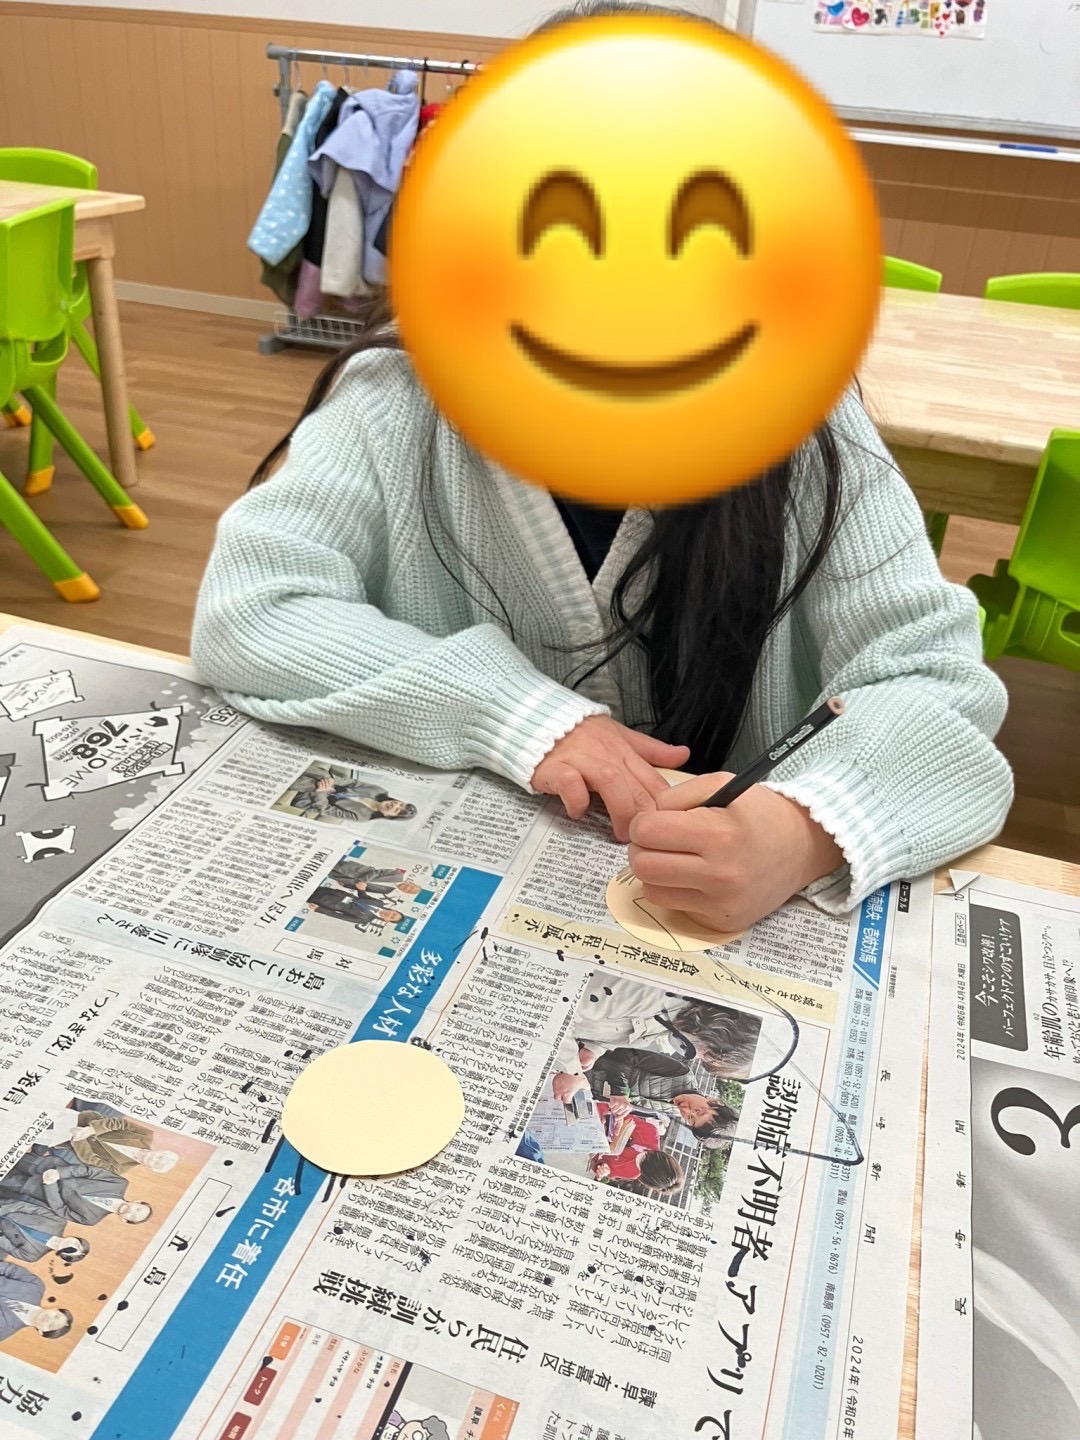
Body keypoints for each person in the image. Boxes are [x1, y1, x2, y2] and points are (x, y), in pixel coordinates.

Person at [192, 0, 1012, 937]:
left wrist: (804, 828)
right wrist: (520, 716)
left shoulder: (807, 424)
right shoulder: (401, 391)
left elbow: (935, 683)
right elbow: (252, 607)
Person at [0, 1155, 152, 1229]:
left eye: (133, 1216)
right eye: (138, 1209)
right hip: (48, 1167)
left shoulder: (91, 1219)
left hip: (35, 1188)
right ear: (137, 1201)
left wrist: (50, 1185)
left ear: (124, 1220)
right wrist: (58, 1174)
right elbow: (89, 1171)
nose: (131, 1211)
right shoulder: (119, 1184)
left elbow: (61, 1210)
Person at [32, 1112, 179, 1178]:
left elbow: (90, 1160)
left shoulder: (119, 1169)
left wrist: (78, 1138)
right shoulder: (145, 1135)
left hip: (70, 1141)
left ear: (149, 1168)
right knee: (42, 1113)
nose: (152, 1159)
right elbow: (119, 1123)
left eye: (154, 1163)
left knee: (34, 1132)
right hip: (85, 1121)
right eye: (158, 1157)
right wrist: (91, 1130)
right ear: (160, 1151)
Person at [590, 1100, 683, 1195]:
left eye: (641, 1166)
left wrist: (603, 1169)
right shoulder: (650, 1133)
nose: (639, 1159)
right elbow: (620, 1112)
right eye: (646, 1157)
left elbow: (597, 1164)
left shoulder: (632, 1173)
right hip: (596, 1110)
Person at [287, 765, 417, 826]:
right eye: (400, 803)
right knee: (325, 776)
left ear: (389, 816)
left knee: (316, 783)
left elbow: (325, 809)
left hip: (313, 800)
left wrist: (321, 792)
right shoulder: (379, 790)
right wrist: (332, 781)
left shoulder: (363, 817)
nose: (395, 805)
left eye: (397, 810)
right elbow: (352, 783)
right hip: (328, 785)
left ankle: (288, 770)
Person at [0, 1197, 90, 1265]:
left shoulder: (32, 1256)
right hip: (5, 1205)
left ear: (63, 1255)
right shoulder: (59, 1222)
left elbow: (3, 1244)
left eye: (72, 1250)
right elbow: (28, 1207)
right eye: (77, 1243)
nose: (71, 1244)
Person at [0, 1261, 73, 1344]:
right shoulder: (36, 1287)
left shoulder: (3, 1332)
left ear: (41, 1332)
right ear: (56, 1309)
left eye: (50, 1325)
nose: (49, 1319)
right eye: (56, 1316)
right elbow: (10, 1269)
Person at [304, 885, 405, 928]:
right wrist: (362, 889)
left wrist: (319, 909)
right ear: (393, 910)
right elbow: (363, 896)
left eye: (391, 917)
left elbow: (340, 916)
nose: (390, 915)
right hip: (334, 892)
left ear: (387, 920)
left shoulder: (364, 919)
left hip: (326, 902)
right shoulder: (379, 903)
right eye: (393, 913)